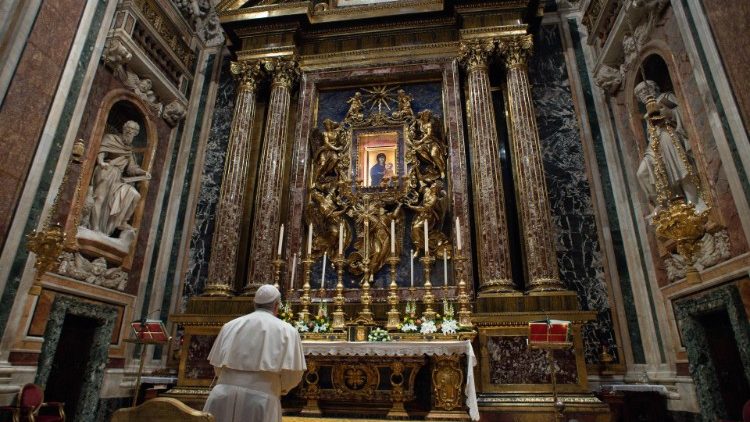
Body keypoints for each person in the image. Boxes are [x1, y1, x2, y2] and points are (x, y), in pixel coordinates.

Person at [203, 285, 306, 422]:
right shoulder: (288, 331)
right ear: (277, 306)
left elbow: (217, 366)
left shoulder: (230, 325)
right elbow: (293, 375)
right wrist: (279, 388)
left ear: (254, 303)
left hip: (221, 396)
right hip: (261, 401)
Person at [90, 120, 150, 236]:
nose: (129, 131)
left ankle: (122, 222)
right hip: (106, 170)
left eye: (133, 130)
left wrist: (144, 173)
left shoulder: (129, 150)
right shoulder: (110, 138)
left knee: (135, 195)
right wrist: (101, 162)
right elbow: (102, 150)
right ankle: (95, 228)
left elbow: (131, 168)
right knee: (99, 198)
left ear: (135, 134)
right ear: (124, 128)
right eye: (128, 128)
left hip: (118, 178)